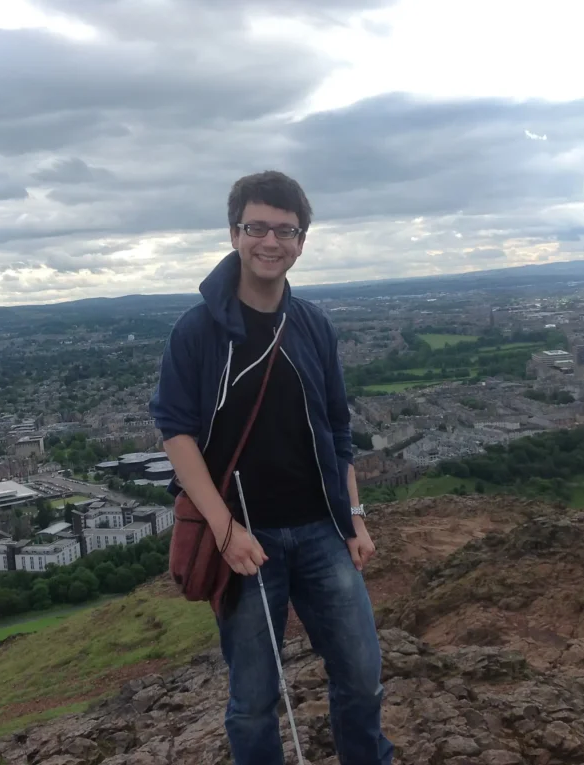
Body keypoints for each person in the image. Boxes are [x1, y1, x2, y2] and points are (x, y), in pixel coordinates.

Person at [149, 170, 394, 765]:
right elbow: (175, 432)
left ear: (301, 242)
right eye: (257, 227)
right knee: (254, 700)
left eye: (286, 230)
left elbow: (338, 428)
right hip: (246, 540)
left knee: (362, 678)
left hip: (320, 530)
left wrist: (354, 516)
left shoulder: (312, 325)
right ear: (234, 233)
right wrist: (225, 531)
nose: (270, 241)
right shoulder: (198, 330)